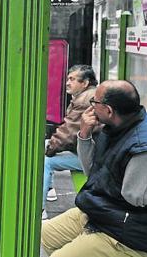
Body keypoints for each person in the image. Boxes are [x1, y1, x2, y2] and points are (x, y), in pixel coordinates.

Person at [41, 80, 147, 257]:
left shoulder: (145, 150)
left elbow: (142, 200)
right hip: (102, 215)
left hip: (130, 237)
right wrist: (84, 135)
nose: (91, 107)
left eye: (94, 102)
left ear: (108, 110)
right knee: (39, 238)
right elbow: (91, 170)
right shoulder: (115, 127)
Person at [42, 65, 97, 220]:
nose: (67, 82)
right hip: (88, 151)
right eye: (68, 78)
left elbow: (68, 133)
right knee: (47, 147)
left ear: (85, 83)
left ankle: (39, 210)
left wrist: (50, 148)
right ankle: (49, 188)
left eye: (72, 79)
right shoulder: (87, 96)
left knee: (46, 161)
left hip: (92, 156)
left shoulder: (85, 101)